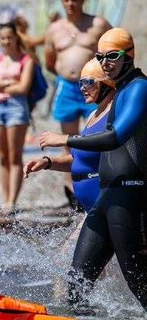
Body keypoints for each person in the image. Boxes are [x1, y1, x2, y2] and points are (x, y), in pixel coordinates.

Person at [51, 28, 147, 312]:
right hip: (107, 198)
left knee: (137, 279)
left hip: (131, 197)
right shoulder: (118, 92)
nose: (106, 62)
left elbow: (116, 136)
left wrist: (65, 139)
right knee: (78, 280)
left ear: (129, 55)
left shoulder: (139, 88)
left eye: (113, 56)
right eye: (101, 57)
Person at [25, 58, 115, 213]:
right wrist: (48, 162)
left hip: (109, 203)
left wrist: (64, 139)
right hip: (91, 207)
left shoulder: (116, 114)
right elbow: (79, 159)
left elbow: (107, 141)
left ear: (105, 83)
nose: (82, 88)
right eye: (80, 83)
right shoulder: (94, 115)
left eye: (88, 82)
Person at [44, 0, 112, 174]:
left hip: (95, 87)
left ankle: (98, 176)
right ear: (62, 1)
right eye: (66, 0)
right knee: (68, 139)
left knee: (97, 134)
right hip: (66, 87)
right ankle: (72, 187)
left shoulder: (98, 24)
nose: (70, 4)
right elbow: (49, 61)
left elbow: (116, 50)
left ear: (83, 0)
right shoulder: (54, 29)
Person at [0, 22, 35, 215]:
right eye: (3, 38)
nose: (6, 41)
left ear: (16, 38)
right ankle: (5, 199)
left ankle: (12, 200)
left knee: (15, 156)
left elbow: (23, 88)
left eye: (9, 37)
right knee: (2, 156)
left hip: (16, 108)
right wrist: (8, 82)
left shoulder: (26, 59)